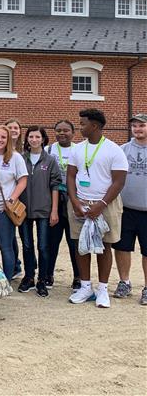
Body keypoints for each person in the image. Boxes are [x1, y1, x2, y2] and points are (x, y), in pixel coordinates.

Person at [67, 109, 128, 308]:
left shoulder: (113, 150)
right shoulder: (77, 149)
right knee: (81, 245)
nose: (80, 127)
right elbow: (70, 176)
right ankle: (85, 287)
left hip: (106, 204)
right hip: (80, 203)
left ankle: (102, 289)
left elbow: (118, 182)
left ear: (94, 126)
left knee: (104, 246)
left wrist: (101, 205)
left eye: (83, 123)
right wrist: (75, 201)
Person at [17, 127, 59, 297]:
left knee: (43, 246)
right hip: (24, 210)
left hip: (44, 209)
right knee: (27, 246)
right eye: (30, 137)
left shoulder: (50, 160)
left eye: (37, 137)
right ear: (27, 139)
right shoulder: (20, 159)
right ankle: (29, 277)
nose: (34, 140)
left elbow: (55, 185)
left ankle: (42, 279)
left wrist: (54, 210)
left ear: (43, 139)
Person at [0, 125, 28, 281]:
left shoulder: (15, 157)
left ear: (8, 139)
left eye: (3, 137)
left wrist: (11, 199)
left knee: (6, 246)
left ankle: (6, 279)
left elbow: (22, 181)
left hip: (4, 208)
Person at [113, 113, 147, 304]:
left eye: (141, 125)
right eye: (134, 126)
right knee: (122, 247)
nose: (137, 129)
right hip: (125, 209)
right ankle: (124, 282)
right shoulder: (123, 150)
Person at [45, 120, 80, 290]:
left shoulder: (79, 149)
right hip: (55, 200)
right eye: (58, 130)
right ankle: (48, 274)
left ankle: (78, 276)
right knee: (52, 241)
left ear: (73, 133)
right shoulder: (49, 150)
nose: (62, 133)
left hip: (74, 199)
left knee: (74, 241)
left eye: (66, 130)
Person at [5, 117, 25, 279]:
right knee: (9, 235)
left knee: (19, 235)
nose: (13, 130)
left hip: (23, 197)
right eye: (10, 127)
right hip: (9, 199)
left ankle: (17, 266)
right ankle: (15, 265)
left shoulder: (24, 151)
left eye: (16, 128)